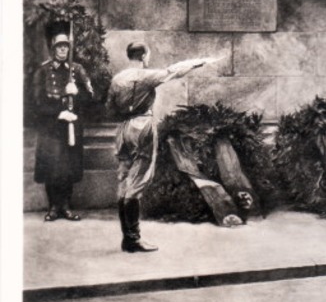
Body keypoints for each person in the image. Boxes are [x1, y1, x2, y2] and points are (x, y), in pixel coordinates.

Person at [106, 42, 213, 252]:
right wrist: (199, 62)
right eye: (148, 56)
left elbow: (109, 109)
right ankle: (133, 239)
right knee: (136, 182)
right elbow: (174, 71)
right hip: (142, 126)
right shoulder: (146, 76)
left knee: (124, 179)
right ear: (144, 56)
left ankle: (127, 238)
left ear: (129, 56)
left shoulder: (118, 79)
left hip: (123, 129)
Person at [30, 21, 95, 222]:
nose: (63, 50)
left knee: (68, 168)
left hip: (71, 128)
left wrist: (79, 93)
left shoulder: (76, 70)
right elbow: (36, 104)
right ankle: (53, 207)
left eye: (66, 46)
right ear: (52, 48)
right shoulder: (43, 71)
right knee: (52, 168)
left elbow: (92, 100)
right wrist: (58, 113)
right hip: (51, 128)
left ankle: (66, 206)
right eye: (59, 46)